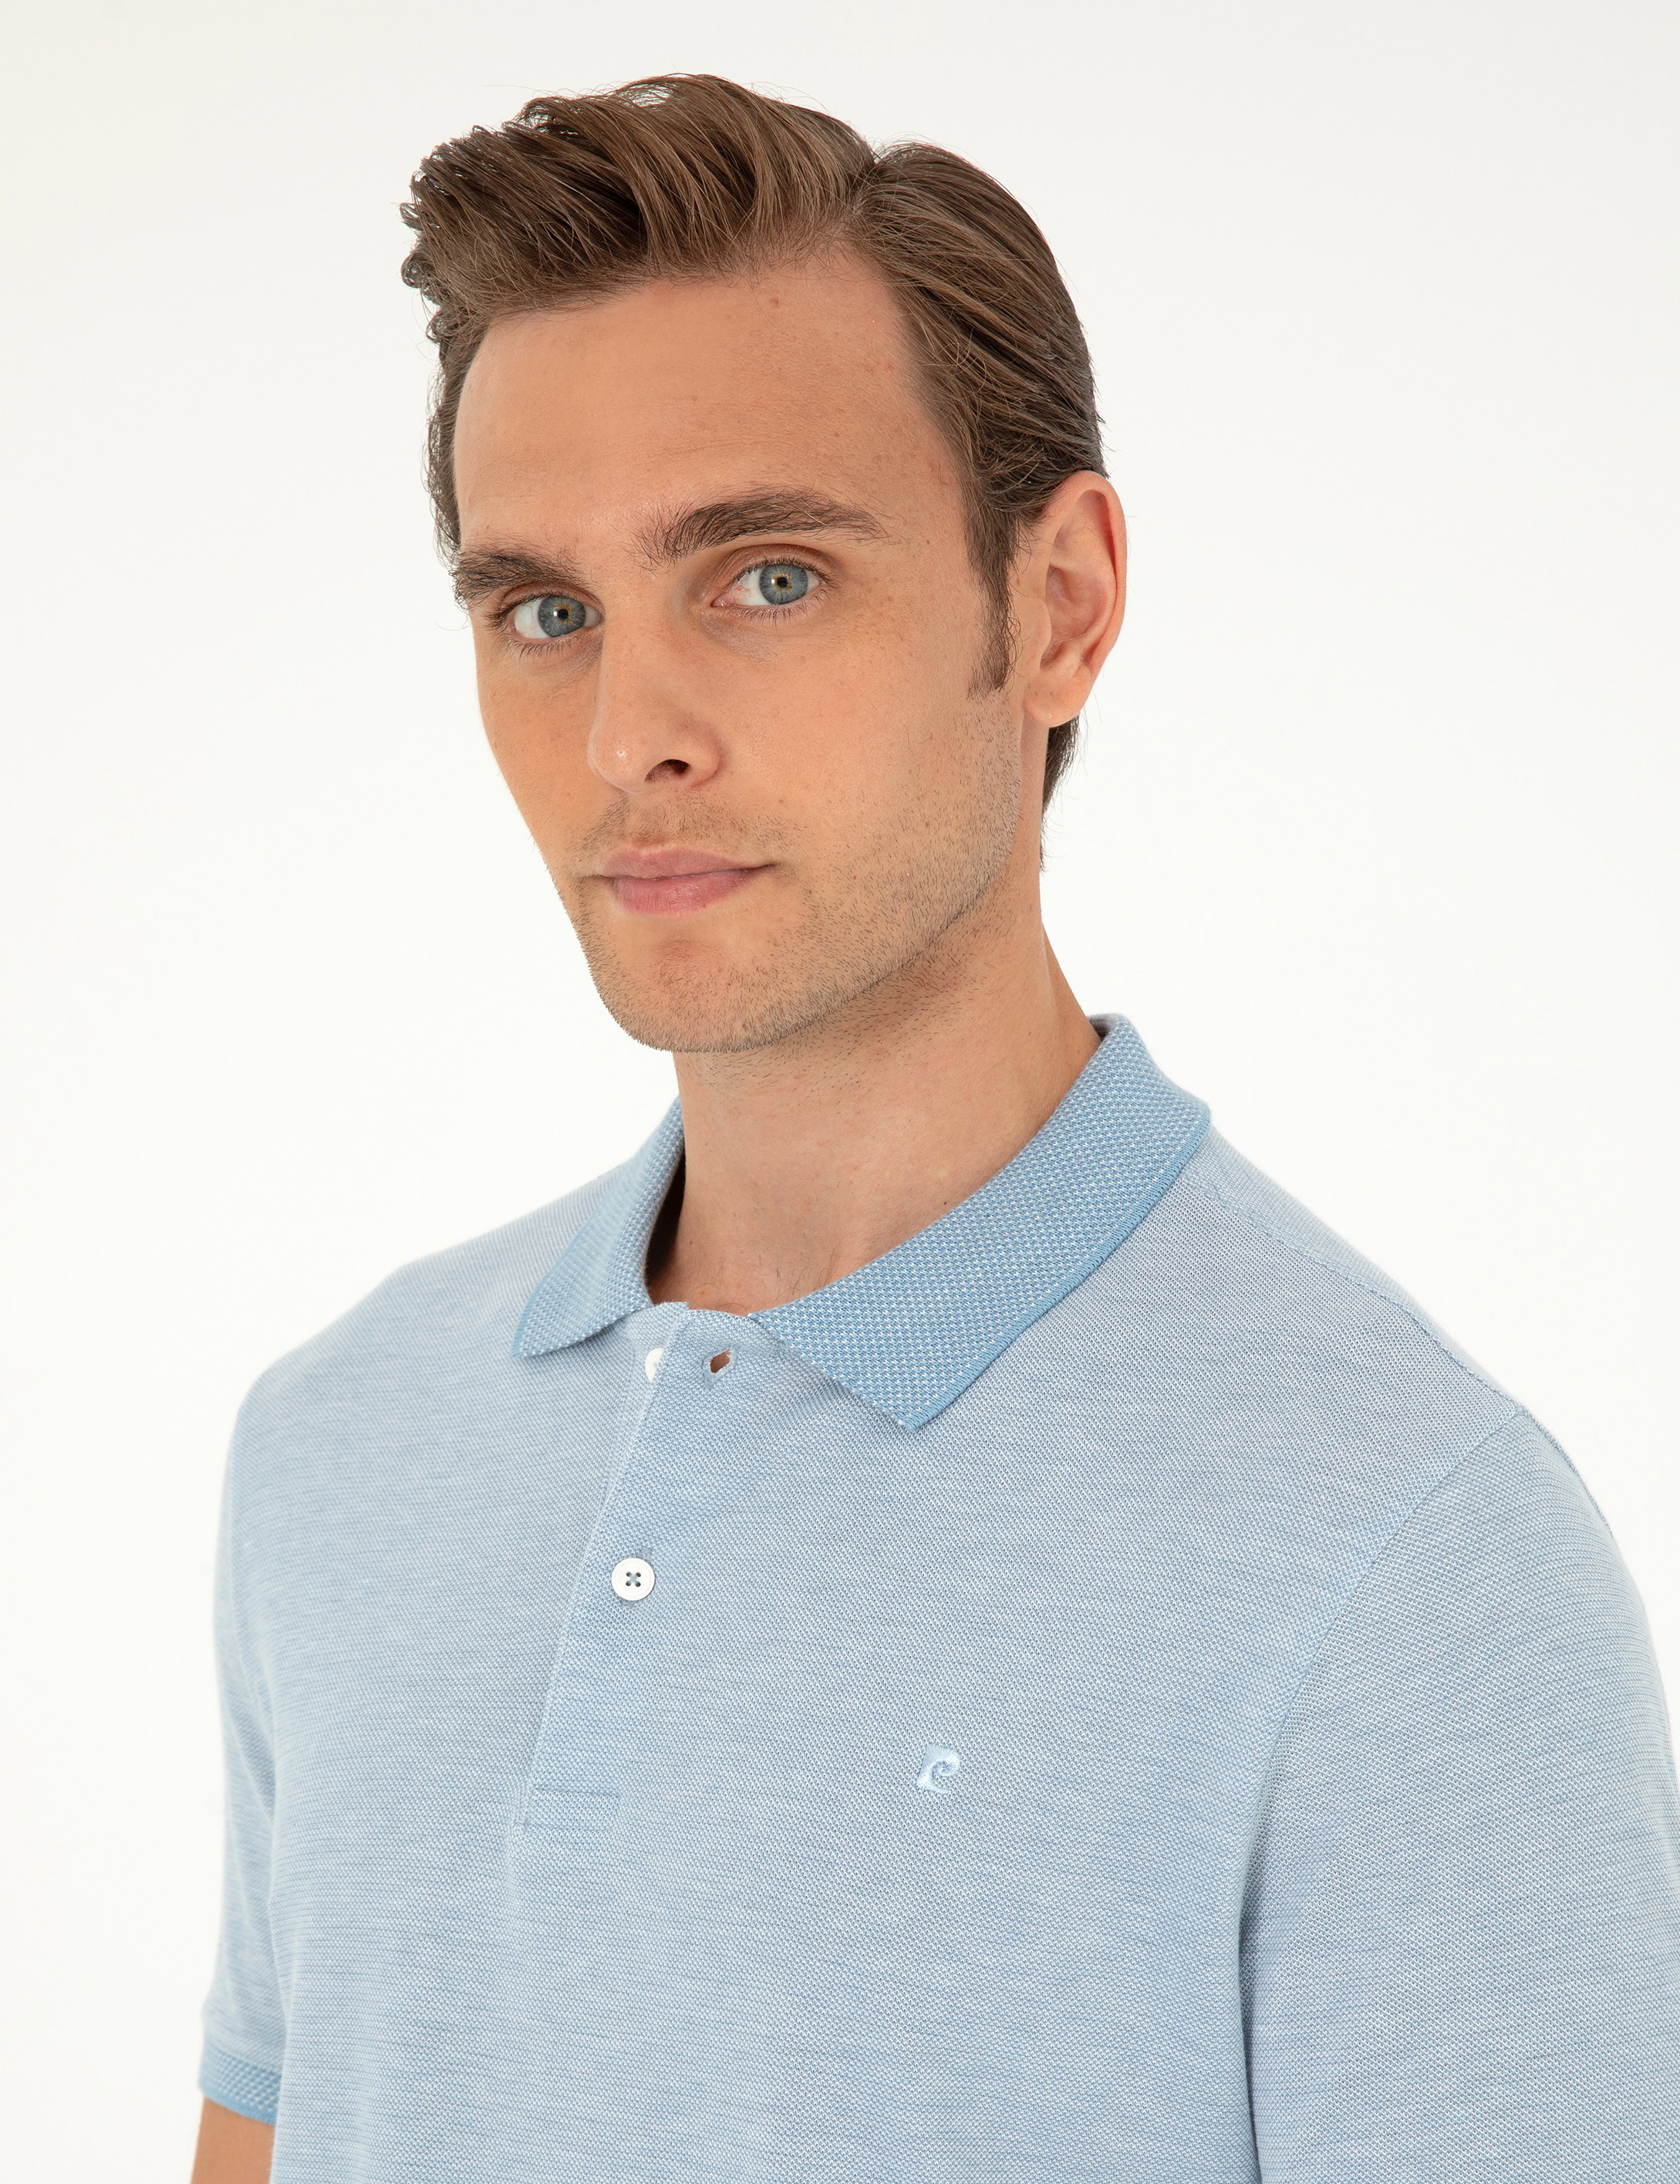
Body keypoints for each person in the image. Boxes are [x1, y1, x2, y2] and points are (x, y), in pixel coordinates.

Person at [190, 74, 1680, 2184]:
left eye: (768, 577)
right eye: (544, 612)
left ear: (1057, 604)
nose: (628, 737)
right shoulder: (336, 1445)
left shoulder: (1410, 1557)